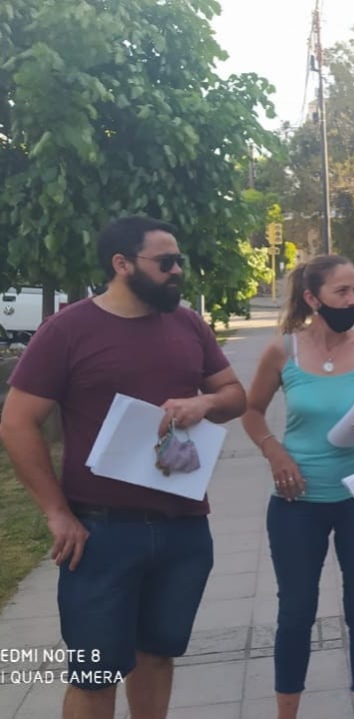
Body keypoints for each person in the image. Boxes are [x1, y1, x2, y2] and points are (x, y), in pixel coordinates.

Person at [0, 216, 246, 719]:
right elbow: (17, 423)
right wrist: (56, 512)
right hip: (101, 534)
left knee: (157, 657)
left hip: (183, 527)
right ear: (121, 264)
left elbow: (235, 395)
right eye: (165, 262)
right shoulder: (67, 330)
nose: (177, 270)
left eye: (179, 260)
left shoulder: (188, 324)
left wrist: (203, 405)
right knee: (95, 675)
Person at [241, 254, 354, 719]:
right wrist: (276, 453)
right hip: (297, 501)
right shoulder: (281, 351)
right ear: (313, 298)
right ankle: (285, 712)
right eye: (342, 292)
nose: (352, 300)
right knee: (295, 613)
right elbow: (251, 412)